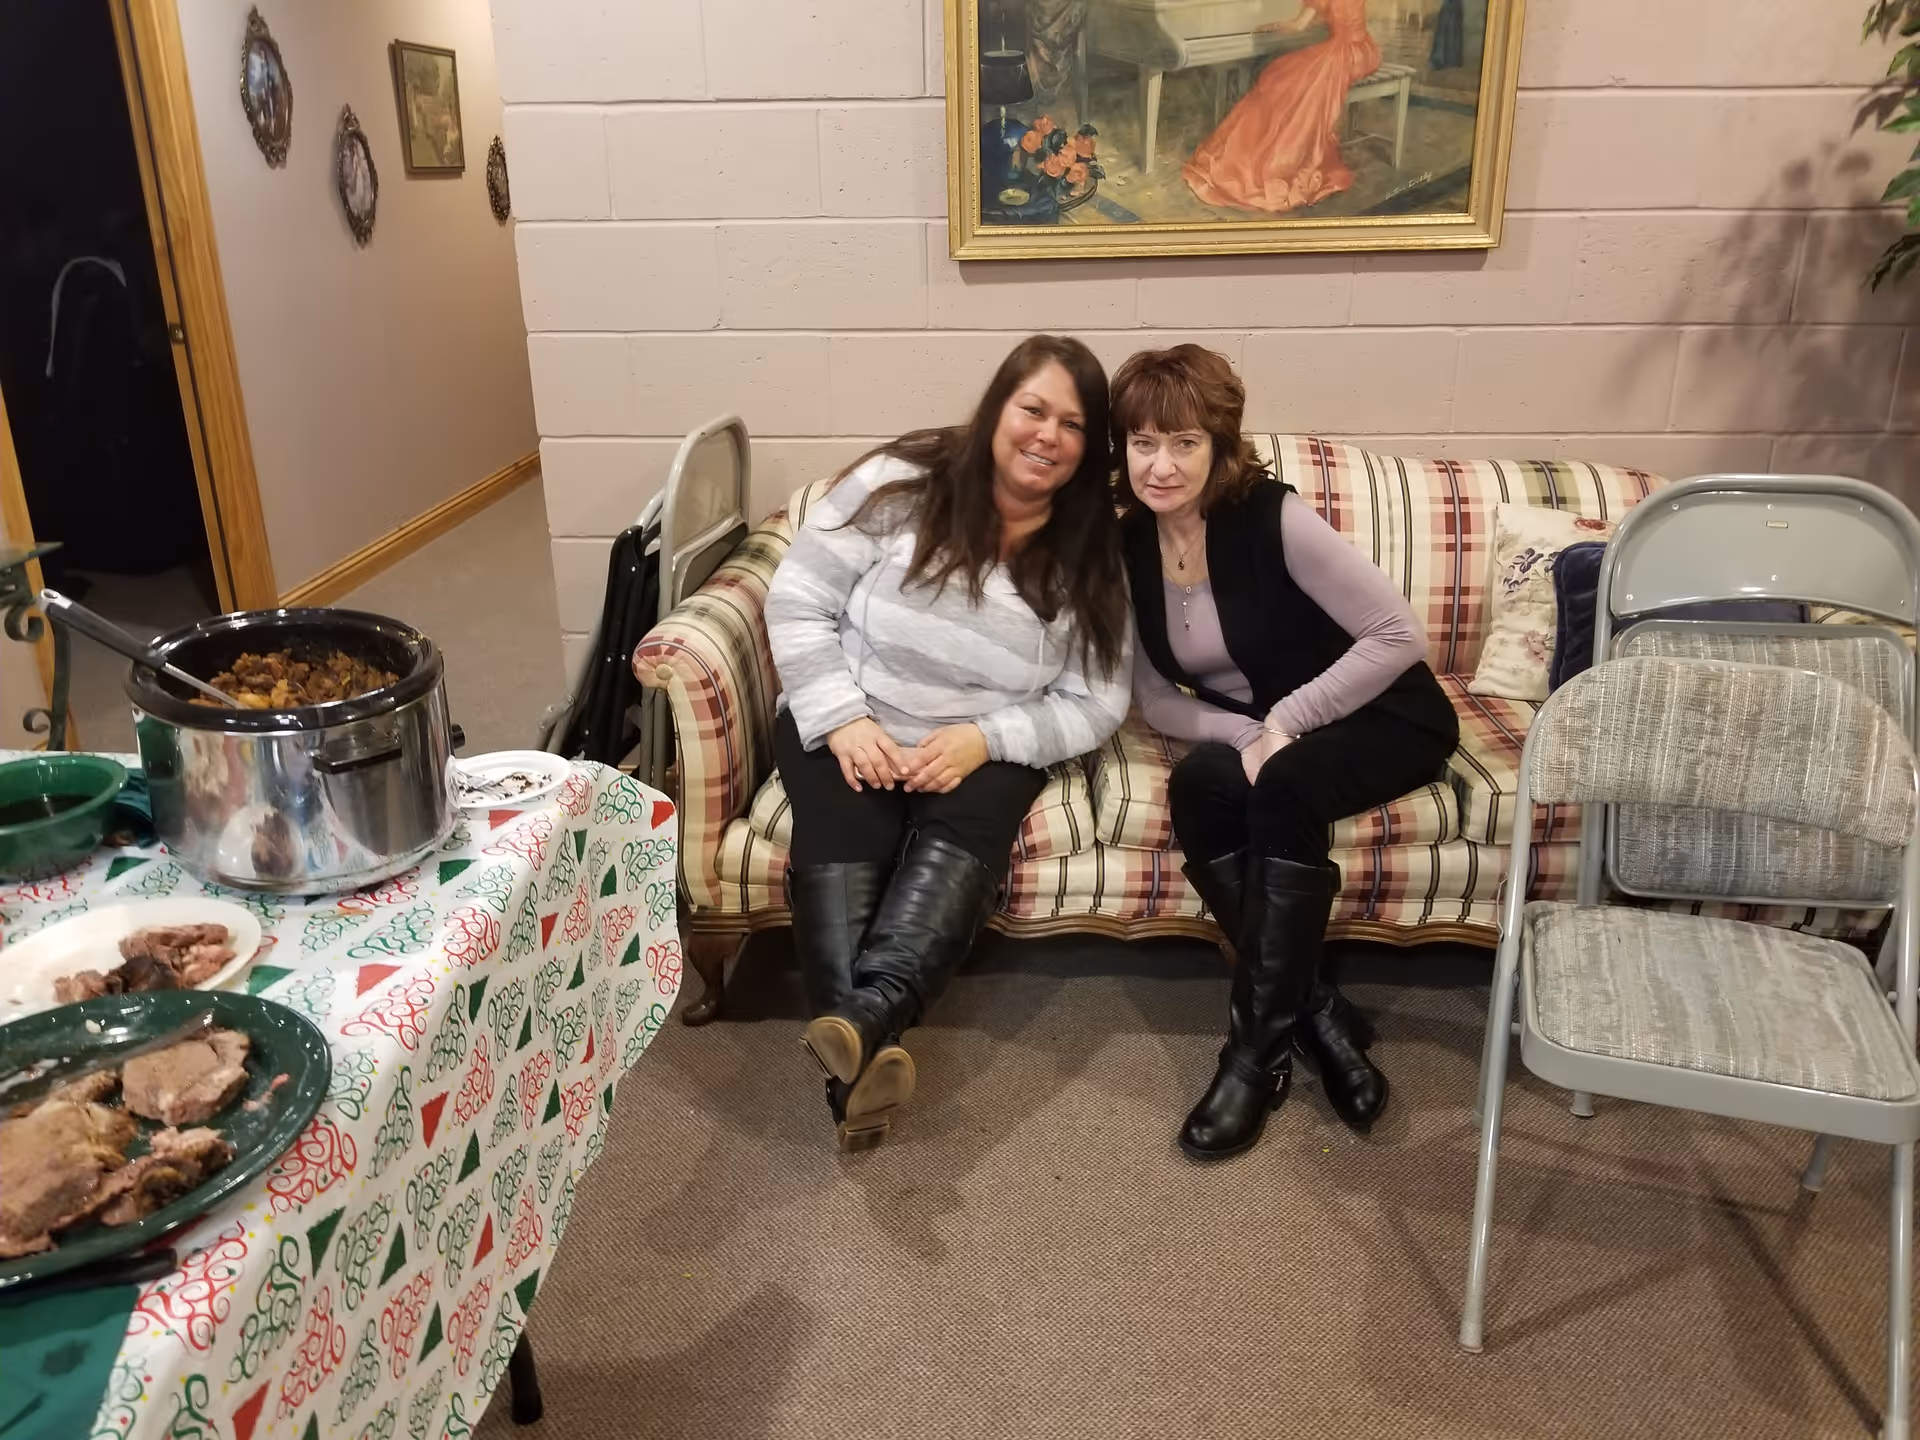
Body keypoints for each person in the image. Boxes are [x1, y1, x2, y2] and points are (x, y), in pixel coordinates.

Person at [766, 335, 1133, 1151]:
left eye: (1073, 425)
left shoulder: (1093, 547)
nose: (1047, 435)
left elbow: (1098, 702)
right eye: (1033, 409)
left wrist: (987, 738)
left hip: (981, 745)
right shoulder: (903, 481)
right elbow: (796, 598)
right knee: (847, 831)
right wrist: (843, 715)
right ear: (998, 407)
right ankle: (866, 1048)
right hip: (849, 715)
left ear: (1090, 445)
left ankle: (858, 1027)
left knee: (974, 824)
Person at [1112, 345, 1458, 1160]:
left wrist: (1286, 723)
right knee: (1201, 785)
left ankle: (1252, 1058)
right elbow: (1156, 696)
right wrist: (1245, 735)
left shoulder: (1271, 515)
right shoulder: (1126, 549)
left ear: (1220, 445)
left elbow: (1396, 635)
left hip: (1385, 712)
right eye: (1143, 443)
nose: (1161, 465)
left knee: (1286, 787)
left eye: (1185, 442)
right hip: (1272, 731)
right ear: (1122, 451)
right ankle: (1320, 1017)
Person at [1183, 0, 1380, 214]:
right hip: (1364, 51)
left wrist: (1272, 26)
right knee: (1288, 79)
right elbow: (1339, 19)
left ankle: (1267, 155)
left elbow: (1299, 26)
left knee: (1282, 81)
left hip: (1340, 55)